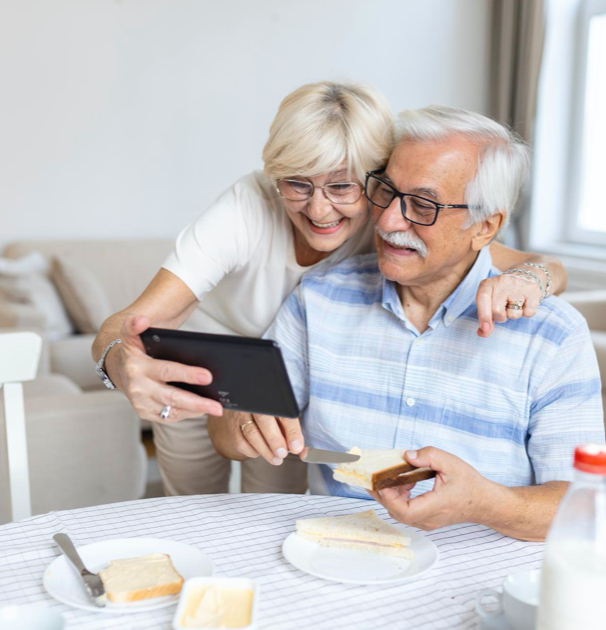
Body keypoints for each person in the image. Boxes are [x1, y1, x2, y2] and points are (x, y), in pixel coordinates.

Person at [92, 83, 570, 497]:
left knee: (273, 504)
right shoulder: (246, 208)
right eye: (297, 184)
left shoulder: (388, 217)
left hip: (284, 379)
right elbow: (130, 323)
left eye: (342, 187)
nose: (319, 210)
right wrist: (119, 362)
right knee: (192, 506)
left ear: (373, 174)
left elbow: (530, 262)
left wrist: (532, 280)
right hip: (202, 373)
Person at [209, 105, 604, 540]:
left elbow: (583, 509)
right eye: (385, 191)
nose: (388, 221)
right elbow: (228, 431)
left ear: (484, 226)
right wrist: (239, 420)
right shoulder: (318, 298)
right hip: (335, 557)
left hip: (482, 572)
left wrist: (485, 503)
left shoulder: (554, 336)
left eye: (422, 205)